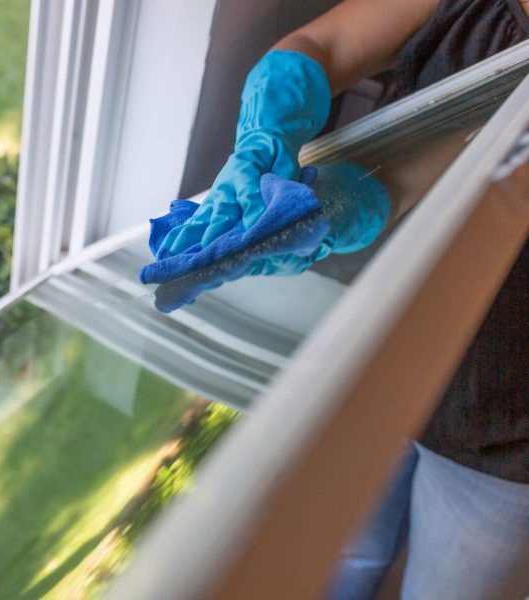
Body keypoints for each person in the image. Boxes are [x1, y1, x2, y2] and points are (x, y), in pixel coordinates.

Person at [152, 0, 529, 598]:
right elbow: (323, 45)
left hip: (508, 429)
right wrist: (265, 133)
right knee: (340, 559)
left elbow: (489, 172)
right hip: (383, 349)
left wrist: (345, 208)